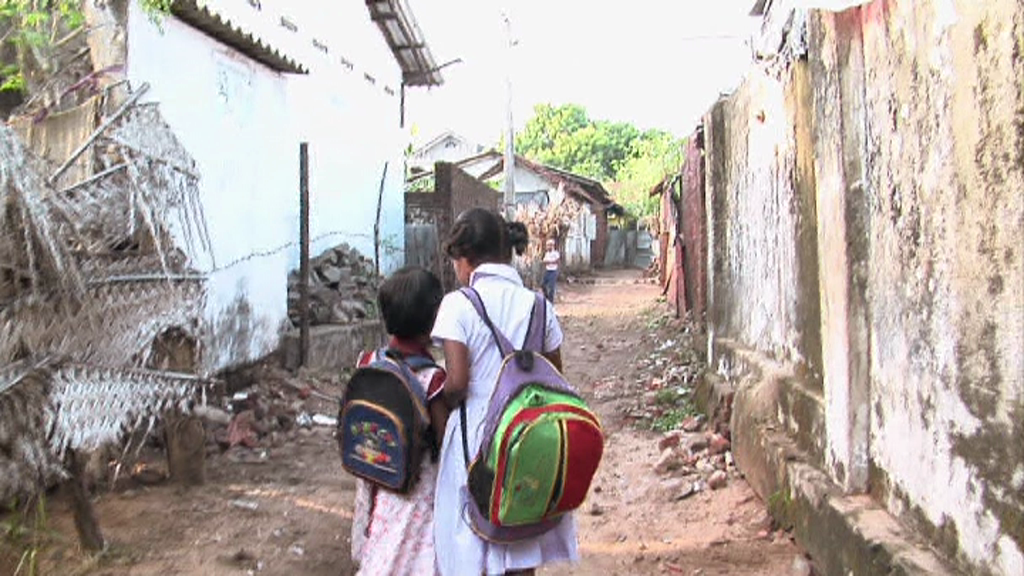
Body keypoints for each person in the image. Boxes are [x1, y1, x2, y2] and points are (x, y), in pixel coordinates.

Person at [431, 208, 578, 576]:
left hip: (475, 434)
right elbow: (554, 376)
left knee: (470, 536)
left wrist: (436, 404)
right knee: (520, 527)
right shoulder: (540, 305)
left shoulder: (458, 305)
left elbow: (458, 382)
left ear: (465, 260)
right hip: (525, 434)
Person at [350, 266, 447, 576]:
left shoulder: (367, 363)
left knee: (381, 552)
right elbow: (445, 447)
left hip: (376, 482)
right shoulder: (433, 380)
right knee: (413, 560)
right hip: (418, 495)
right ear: (434, 319)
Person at [541, 238, 560, 303]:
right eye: (547, 245)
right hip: (547, 271)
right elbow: (544, 261)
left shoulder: (555, 253)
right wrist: (550, 262)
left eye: (549, 245)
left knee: (551, 287)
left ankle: (550, 301)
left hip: (553, 271)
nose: (548, 247)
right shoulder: (547, 254)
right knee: (543, 285)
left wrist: (549, 262)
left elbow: (557, 261)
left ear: (552, 246)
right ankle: (547, 297)